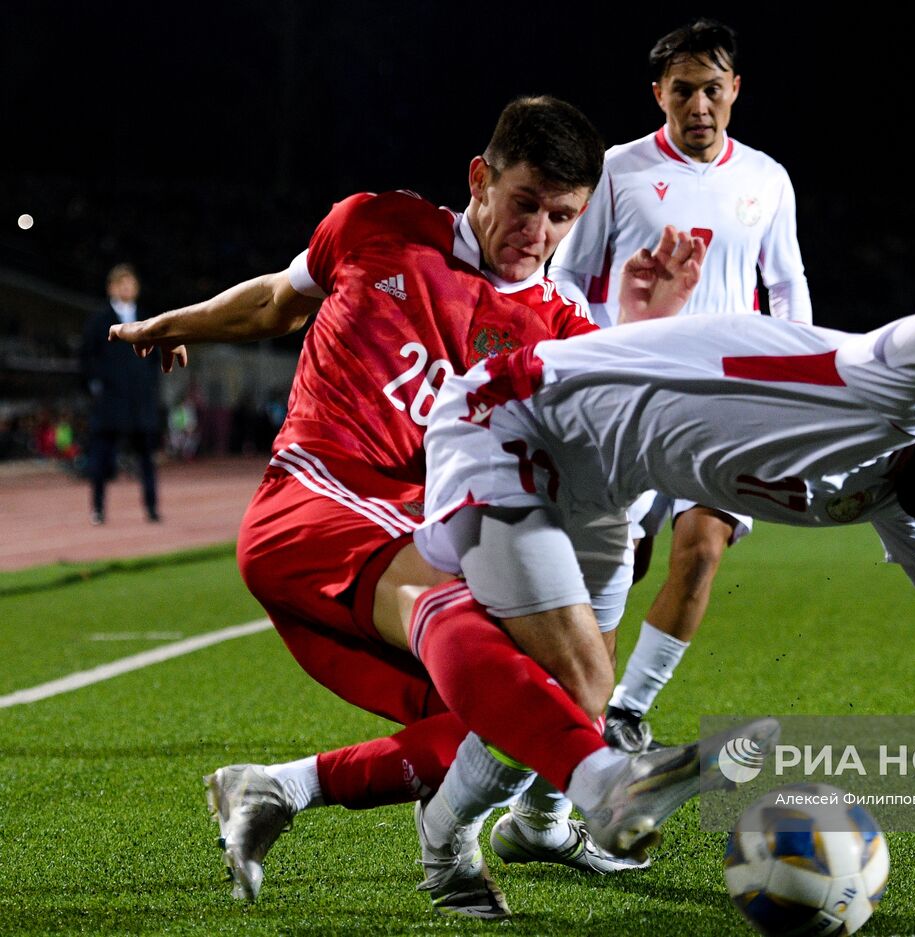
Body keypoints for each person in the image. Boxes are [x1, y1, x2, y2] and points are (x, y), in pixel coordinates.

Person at [110, 95, 720, 918]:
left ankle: (277, 789)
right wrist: (175, 322)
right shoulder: (376, 224)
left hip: (411, 539)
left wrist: (646, 331)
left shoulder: (564, 329)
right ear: (481, 178)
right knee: (507, 653)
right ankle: (601, 776)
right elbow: (278, 301)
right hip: (315, 499)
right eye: (526, 203)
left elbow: (621, 435)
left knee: (524, 713)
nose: (538, 231)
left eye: (563, 216)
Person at [411, 301, 915, 847]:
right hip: (507, 421)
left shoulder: (908, 500)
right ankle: (588, 789)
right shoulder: (894, 390)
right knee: (576, 681)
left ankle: (438, 827)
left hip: (597, 486)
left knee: (573, 699)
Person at [550, 18, 812, 752]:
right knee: (619, 561)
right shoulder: (619, 167)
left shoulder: (766, 179)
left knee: (703, 548)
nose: (699, 105)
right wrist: (600, 345)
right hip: (633, 395)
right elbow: (565, 272)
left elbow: (787, 285)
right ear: (659, 94)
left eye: (712, 89)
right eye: (683, 91)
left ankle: (627, 710)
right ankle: (573, 706)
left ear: (735, 90)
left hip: (725, 404)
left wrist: (793, 377)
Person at [80, 264, 165, 524]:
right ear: (112, 288)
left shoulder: (147, 319)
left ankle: (151, 507)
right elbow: (86, 357)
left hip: (140, 401)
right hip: (111, 402)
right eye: (122, 284)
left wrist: (150, 386)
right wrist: (96, 386)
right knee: (101, 458)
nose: (127, 288)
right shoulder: (98, 321)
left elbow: (155, 359)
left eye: (131, 283)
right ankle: (97, 508)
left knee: (146, 460)